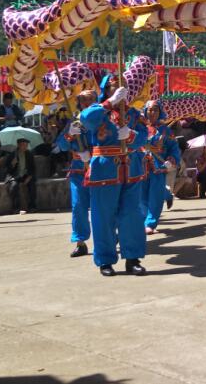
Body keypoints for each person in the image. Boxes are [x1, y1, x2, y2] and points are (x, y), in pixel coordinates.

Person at [80, 80, 147, 277]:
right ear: (106, 90)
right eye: (113, 86)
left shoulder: (134, 113)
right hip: (105, 171)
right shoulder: (99, 111)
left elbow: (145, 136)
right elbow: (86, 119)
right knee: (103, 216)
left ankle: (133, 258)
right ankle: (105, 260)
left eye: (123, 86)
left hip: (131, 168)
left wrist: (132, 135)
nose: (119, 89)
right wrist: (110, 102)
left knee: (132, 215)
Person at [56, 90, 95, 257]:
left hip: (99, 170)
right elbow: (62, 145)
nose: (85, 103)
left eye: (89, 100)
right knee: (78, 206)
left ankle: (109, 238)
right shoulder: (74, 121)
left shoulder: (102, 120)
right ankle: (80, 242)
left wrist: (92, 154)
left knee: (103, 208)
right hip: (78, 170)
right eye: (83, 100)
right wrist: (70, 134)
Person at [140, 100, 181, 234]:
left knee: (155, 196)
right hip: (140, 166)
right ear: (145, 111)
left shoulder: (165, 131)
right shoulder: (139, 128)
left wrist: (171, 160)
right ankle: (167, 195)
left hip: (158, 166)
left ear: (160, 112)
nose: (152, 112)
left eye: (155, 110)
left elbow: (174, 148)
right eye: (150, 109)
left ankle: (150, 223)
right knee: (142, 196)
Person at [3, 137, 37, 214]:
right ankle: (16, 207)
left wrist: (29, 177)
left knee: (32, 185)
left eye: (26, 145)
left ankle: (32, 206)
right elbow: (7, 170)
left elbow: (33, 168)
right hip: (15, 175)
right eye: (23, 145)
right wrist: (12, 164)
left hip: (26, 175)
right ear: (19, 145)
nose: (25, 147)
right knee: (13, 186)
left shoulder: (29, 154)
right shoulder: (12, 155)